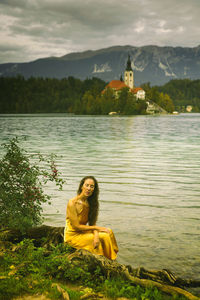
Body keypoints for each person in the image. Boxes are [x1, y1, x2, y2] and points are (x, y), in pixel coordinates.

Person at [64, 176, 118, 260]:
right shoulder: (72, 203)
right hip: (73, 235)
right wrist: (97, 228)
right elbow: (76, 226)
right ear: (82, 186)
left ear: (94, 189)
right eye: (87, 185)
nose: (89, 188)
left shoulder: (91, 203)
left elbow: (92, 224)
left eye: (91, 186)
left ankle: (109, 259)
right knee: (104, 237)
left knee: (109, 232)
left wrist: (96, 234)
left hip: (83, 231)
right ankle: (106, 260)